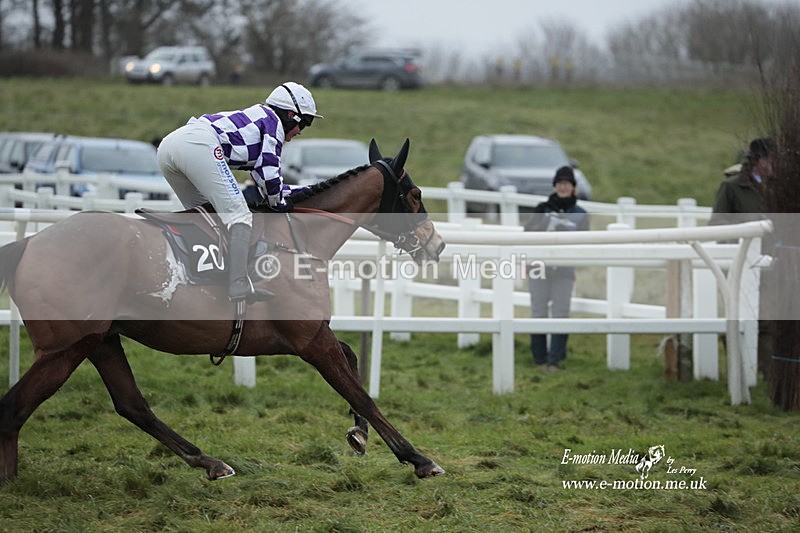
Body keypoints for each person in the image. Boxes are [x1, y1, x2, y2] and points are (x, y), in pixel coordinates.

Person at [157, 82, 323, 303]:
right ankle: (238, 284)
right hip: (197, 144)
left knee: (207, 216)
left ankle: (201, 275)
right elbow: (271, 177)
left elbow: (265, 179)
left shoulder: (261, 118)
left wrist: (293, 192)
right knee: (240, 215)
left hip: (169, 146)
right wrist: (281, 203)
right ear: (291, 115)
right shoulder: (274, 124)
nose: (300, 131)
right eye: (305, 123)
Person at [709, 137, 775, 377]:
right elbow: (718, 225)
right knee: (740, 317)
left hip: (772, 263)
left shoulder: (781, 187)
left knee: (770, 320)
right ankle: (741, 369)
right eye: (771, 159)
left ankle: (768, 375)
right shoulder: (732, 187)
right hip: (742, 263)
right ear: (759, 160)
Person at [524, 166, 590, 371]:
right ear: (555, 186)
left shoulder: (581, 214)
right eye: (560, 183)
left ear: (573, 187)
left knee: (561, 313)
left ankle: (555, 359)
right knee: (539, 312)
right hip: (538, 268)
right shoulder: (542, 209)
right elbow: (527, 234)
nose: (563, 187)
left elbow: (585, 242)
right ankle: (539, 359)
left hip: (564, 270)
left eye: (567, 184)